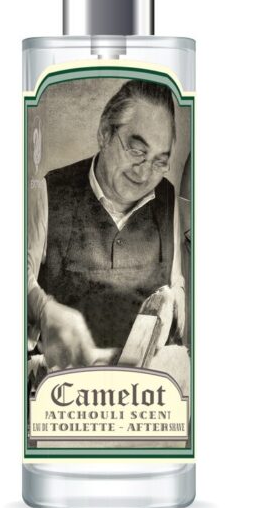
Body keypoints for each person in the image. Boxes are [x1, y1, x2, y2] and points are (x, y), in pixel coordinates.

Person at [27, 80, 186, 372]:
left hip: (144, 386)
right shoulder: (51, 191)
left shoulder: (167, 198)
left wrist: (173, 300)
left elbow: (176, 282)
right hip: (65, 383)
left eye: (159, 162)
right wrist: (42, 308)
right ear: (104, 133)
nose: (144, 174)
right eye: (137, 151)